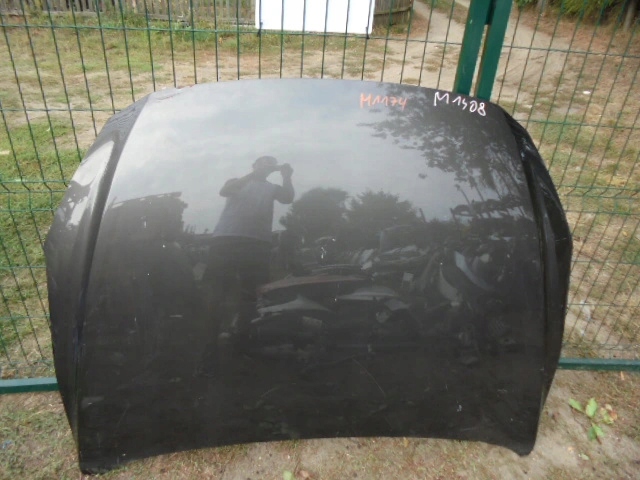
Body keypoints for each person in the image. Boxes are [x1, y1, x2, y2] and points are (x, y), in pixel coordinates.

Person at [205, 156, 295, 344]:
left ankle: (243, 335)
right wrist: (254, 175)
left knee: (253, 290)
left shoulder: (272, 188)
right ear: (254, 165)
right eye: (263, 161)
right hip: (227, 238)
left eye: (271, 163)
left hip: (258, 242)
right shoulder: (237, 181)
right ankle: (210, 336)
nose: (267, 164)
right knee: (218, 289)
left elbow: (288, 198)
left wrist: (287, 176)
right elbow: (225, 191)